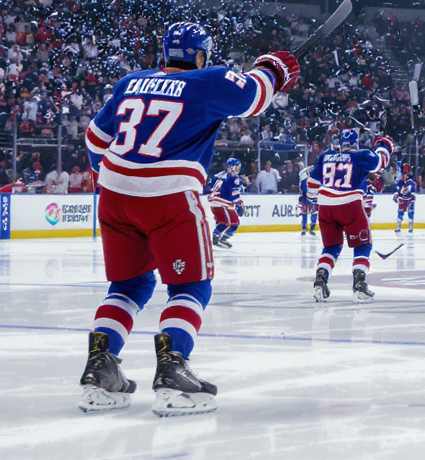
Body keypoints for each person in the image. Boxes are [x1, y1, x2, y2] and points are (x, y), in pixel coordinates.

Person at [77, 21, 299, 417]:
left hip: (114, 195)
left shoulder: (131, 81)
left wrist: (110, 179)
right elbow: (254, 97)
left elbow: (95, 138)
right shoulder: (208, 79)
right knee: (190, 287)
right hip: (170, 195)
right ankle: (172, 369)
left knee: (128, 286)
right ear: (200, 55)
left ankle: (100, 367)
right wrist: (273, 67)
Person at [311, 129, 393, 303]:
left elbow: (312, 183)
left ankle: (320, 280)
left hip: (325, 205)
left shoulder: (326, 156)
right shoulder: (360, 155)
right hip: (349, 204)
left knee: (331, 247)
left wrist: (311, 198)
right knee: (363, 245)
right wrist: (383, 146)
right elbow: (381, 162)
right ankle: (359, 286)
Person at [207, 158, 246, 249]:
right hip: (222, 201)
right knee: (235, 223)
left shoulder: (220, 174)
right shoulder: (235, 178)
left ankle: (216, 237)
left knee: (223, 222)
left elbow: (210, 186)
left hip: (213, 200)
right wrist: (238, 203)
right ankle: (222, 238)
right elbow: (233, 195)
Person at [297, 165, 318, 236]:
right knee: (305, 212)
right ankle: (304, 228)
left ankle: (311, 228)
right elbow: (301, 189)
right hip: (306, 197)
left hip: (312, 197)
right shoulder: (303, 178)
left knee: (313, 212)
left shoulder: (310, 178)